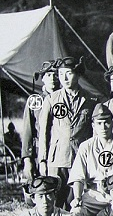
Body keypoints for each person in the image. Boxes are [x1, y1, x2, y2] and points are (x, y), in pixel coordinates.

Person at [38, 56, 98, 207]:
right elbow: (43, 132)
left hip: (80, 158)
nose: (64, 78)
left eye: (69, 73)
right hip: (57, 159)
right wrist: (42, 160)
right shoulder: (51, 99)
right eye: (61, 73)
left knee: (77, 202)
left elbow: (94, 133)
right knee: (55, 201)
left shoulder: (90, 100)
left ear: (77, 74)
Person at [68, 105, 113, 216]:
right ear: (93, 125)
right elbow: (78, 177)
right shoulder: (86, 146)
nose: (103, 127)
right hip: (94, 195)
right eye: (99, 123)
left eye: (106, 122)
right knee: (76, 215)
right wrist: (77, 198)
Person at [21, 59, 58, 183]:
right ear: (42, 79)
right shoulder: (35, 101)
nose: (52, 78)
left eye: (55, 75)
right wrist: (27, 160)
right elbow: (28, 132)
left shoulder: (65, 100)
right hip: (40, 152)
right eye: (48, 75)